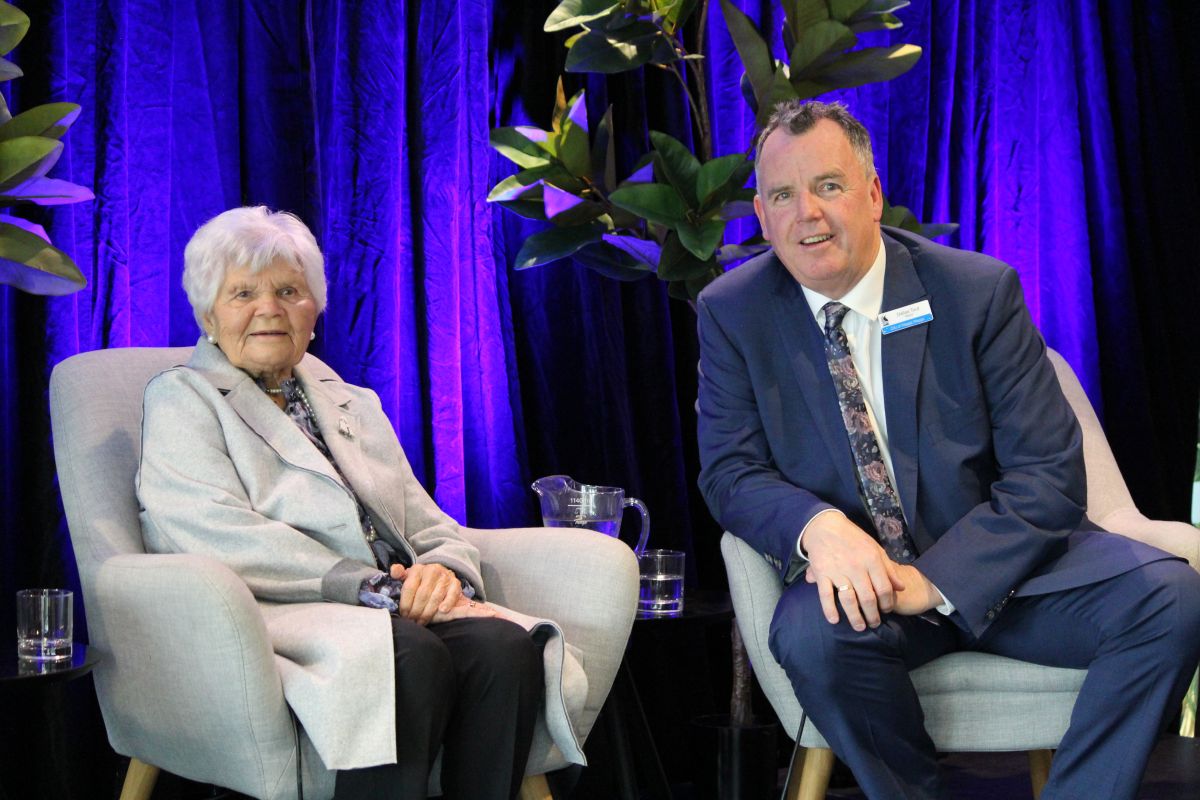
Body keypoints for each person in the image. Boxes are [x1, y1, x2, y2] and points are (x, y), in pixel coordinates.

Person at [696, 100, 1200, 799]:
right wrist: (822, 529)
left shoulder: (976, 292)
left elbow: (1049, 473)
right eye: (783, 195)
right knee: (813, 637)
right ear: (760, 212)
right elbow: (731, 469)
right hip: (862, 584)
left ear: (872, 194)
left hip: (1012, 579)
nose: (806, 212)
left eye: (829, 186)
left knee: (1174, 599)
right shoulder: (733, 312)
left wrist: (937, 581)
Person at [136, 206, 582, 799]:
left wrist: (442, 575)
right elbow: (211, 532)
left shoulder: (349, 400)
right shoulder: (183, 398)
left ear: (313, 312)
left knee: (501, 649)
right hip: (278, 613)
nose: (269, 308)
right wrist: (370, 587)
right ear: (208, 315)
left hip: (394, 607)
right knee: (407, 657)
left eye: (288, 291)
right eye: (243, 292)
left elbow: (424, 518)